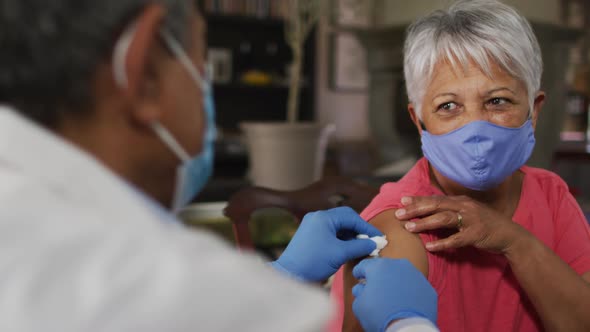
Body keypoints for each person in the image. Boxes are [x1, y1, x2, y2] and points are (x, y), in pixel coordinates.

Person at [0, 0, 439, 331]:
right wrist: (409, 323)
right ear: (144, 71)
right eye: (200, 63)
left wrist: (281, 275)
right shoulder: (175, 291)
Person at [330, 1, 590, 331]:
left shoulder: (550, 194)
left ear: (534, 110)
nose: (475, 127)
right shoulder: (402, 221)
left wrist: (514, 240)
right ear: (418, 120)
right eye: (448, 106)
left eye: (497, 101)